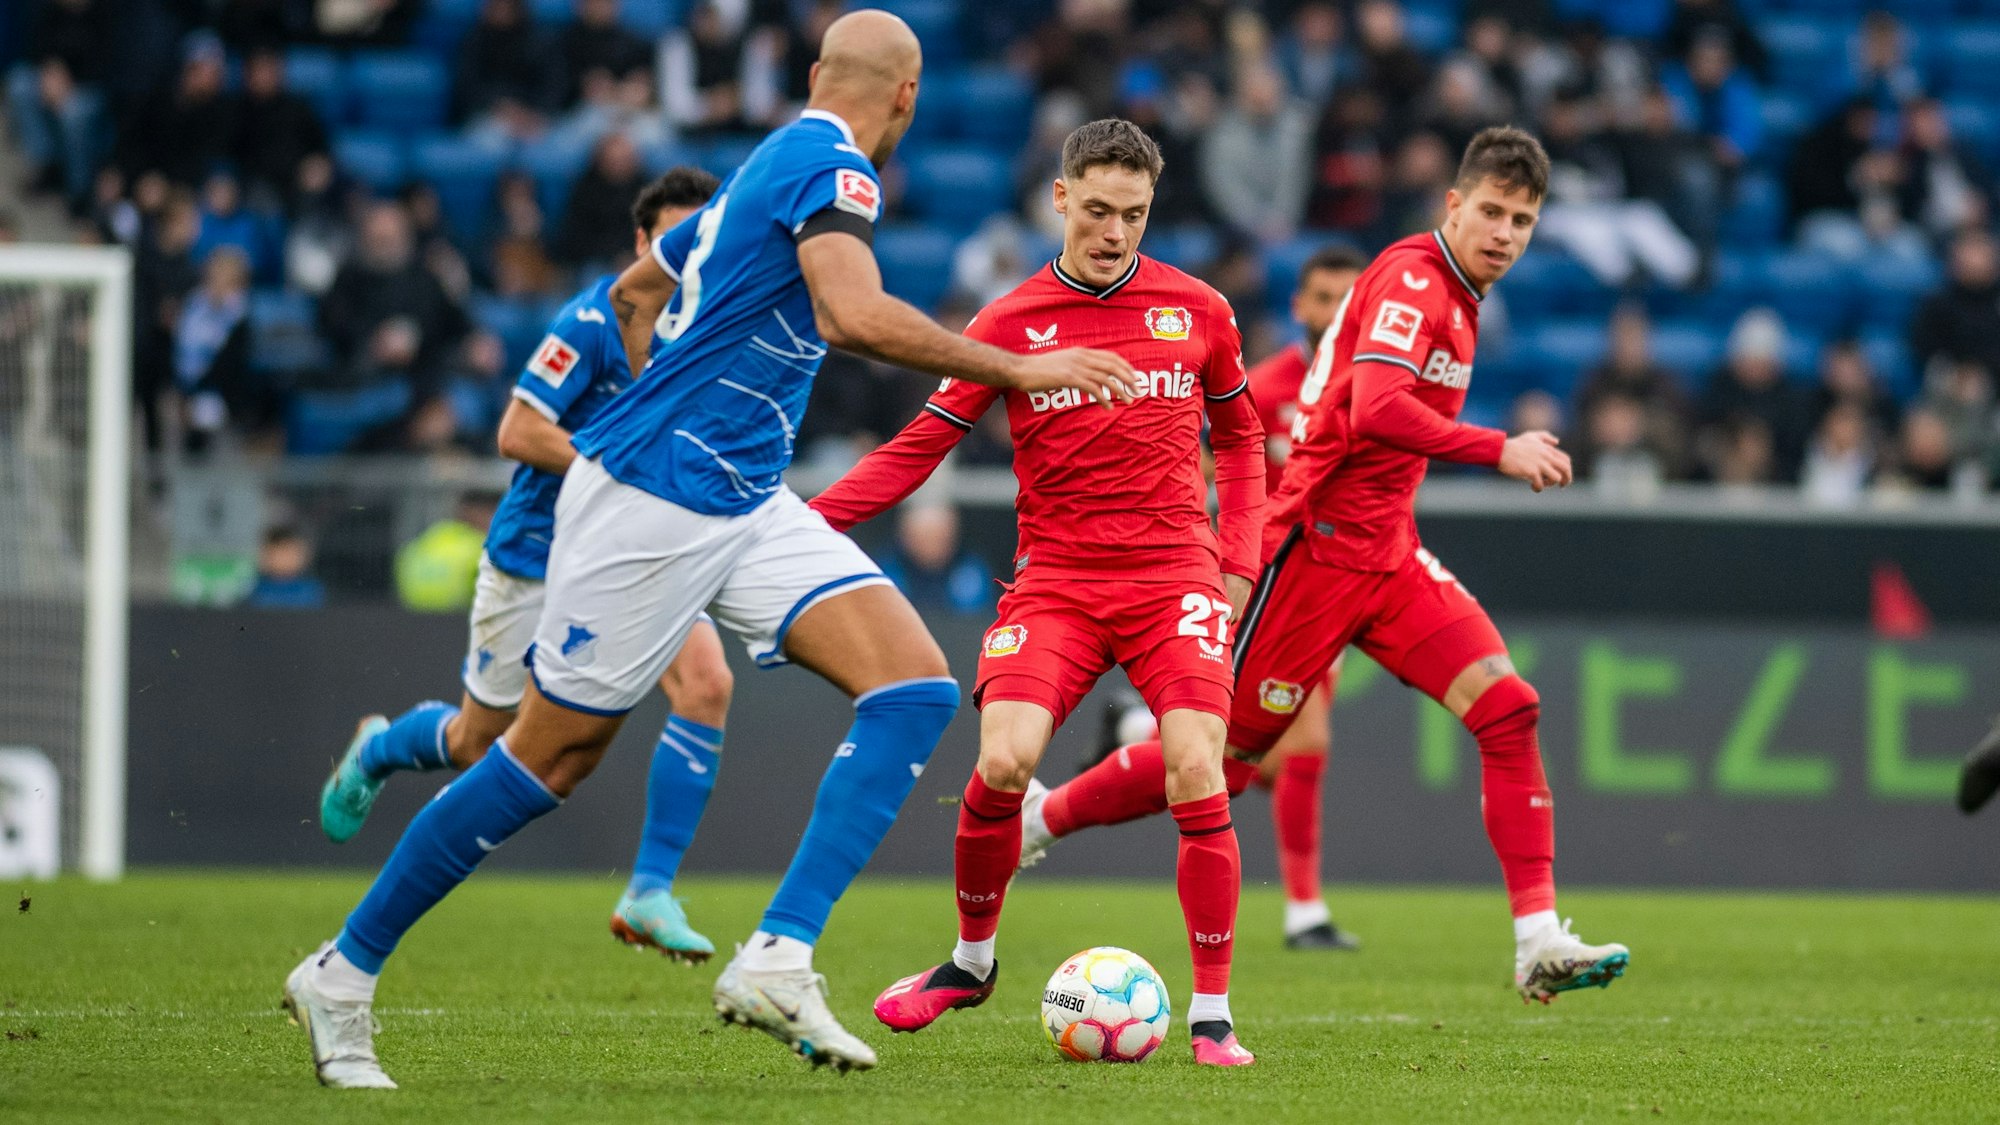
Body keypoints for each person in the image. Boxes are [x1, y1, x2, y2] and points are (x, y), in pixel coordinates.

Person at [281, 11, 1137, 1088]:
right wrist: (1019, 369)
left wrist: (675, 388)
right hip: (654, 501)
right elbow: (848, 313)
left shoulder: (753, 173)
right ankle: (342, 974)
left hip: (736, 494)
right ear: (907, 102)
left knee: (914, 688)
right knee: (547, 756)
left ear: (819, 74)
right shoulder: (836, 170)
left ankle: (778, 956)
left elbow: (635, 290)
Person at [1021, 127, 1632, 1006]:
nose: (1504, 232)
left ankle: (1538, 938)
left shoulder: (1459, 295)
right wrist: (1497, 447)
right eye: (1491, 212)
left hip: (1388, 554)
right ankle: (1042, 816)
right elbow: (1379, 409)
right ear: (1452, 206)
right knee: (1219, 767)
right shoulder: (1416, 281)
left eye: (1522, 220)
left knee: (1509, 706)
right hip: (1312, 552)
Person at [810, 118, 1266, 1067]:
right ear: (1060, 199)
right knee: (1005, 762)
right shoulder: (1007, 322)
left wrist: (1235, 564)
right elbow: (918, 448)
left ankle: (1213, 1013)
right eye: (1097, 210)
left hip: (1173, 576)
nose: (1114, 232)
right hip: (1056, 582)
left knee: (1196, 766)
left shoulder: (1199, 311)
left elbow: (1246, 442)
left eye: (1133, 214)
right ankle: (970, 964)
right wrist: (803, 526)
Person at [1238, 243, 1367, 950]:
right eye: (1325, 296)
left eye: (1351, 297)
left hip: (1342, 582)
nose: (1337, 311)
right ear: (1300, 306)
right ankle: (1304, 911)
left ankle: (1136, 735)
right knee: (1309, 738)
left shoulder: (1377, 387)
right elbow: (1209, 469)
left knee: (1271, 756)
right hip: (1273, 585)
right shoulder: (1264, 388)